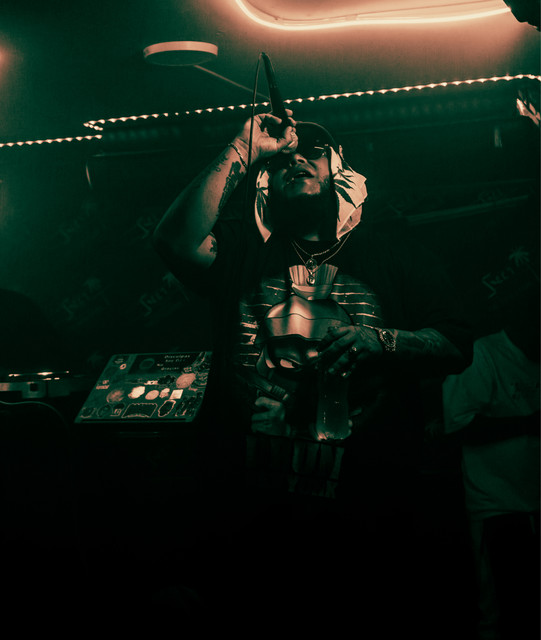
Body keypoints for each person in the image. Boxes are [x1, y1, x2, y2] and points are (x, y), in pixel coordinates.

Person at [152, 110, 473, 628]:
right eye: (280, 160)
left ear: (339, 170)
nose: (296, 159)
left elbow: (457, 343)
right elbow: (173, 240)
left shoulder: (394, 254)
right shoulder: (244, 253)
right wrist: (245, 146)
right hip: (252, 525)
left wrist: (381, 341)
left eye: (313, 151)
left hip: (368, 518)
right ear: (264, 184)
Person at [443, 293, 540, 640]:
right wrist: (529, 422)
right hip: (498, 508)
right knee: (501, 613)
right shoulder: (482, 353)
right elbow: (458, 427)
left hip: (532, 504)